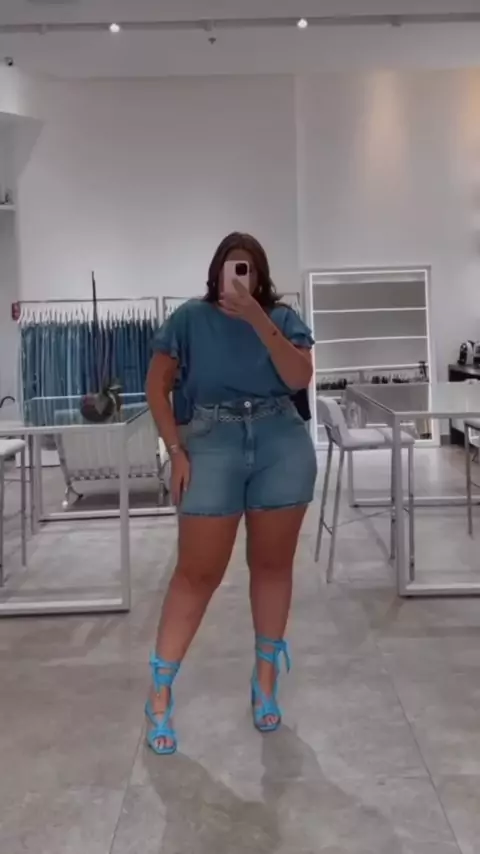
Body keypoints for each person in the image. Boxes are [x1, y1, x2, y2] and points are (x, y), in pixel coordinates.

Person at [145, 232, 317, 755]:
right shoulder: (188, 319)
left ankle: (265, 682)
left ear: (260, 275)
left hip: (280, 441)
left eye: (248, 268)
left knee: (273, 566)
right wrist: (176, 450)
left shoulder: (281, 319)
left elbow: (299, 377)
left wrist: (259, 320)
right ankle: (159, 692)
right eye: (231, 266)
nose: (239, 276)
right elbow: (156, 387)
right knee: (196, 573)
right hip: (209, 441)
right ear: (216, 270)